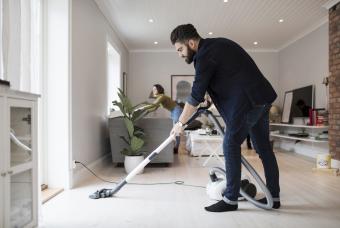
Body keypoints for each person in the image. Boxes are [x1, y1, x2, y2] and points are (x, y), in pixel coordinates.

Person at [169, 24, 280, 212]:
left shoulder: (204, 56)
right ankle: (274, 197)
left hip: (248, 102)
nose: (180, 54)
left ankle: (230, 199)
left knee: (230, 144)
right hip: (261, 98)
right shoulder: (218, 45)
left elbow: (195, 94)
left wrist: (180, 123)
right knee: (264, 149)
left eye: (180, 49)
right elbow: (230, 78)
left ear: (191, 42)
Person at [142, 84, 183, 154]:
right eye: (153, 89)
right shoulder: (159, 98)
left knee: (176, 129)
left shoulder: (162, 97)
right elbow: (154, 108)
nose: (153, 90)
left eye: (155, 89)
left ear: (159, 90)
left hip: (176, 110)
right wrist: (146, 112)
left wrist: (142, 108)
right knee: (174, 129)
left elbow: (153, 105)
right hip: (173, 111)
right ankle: (175, 147)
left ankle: (176, 148)